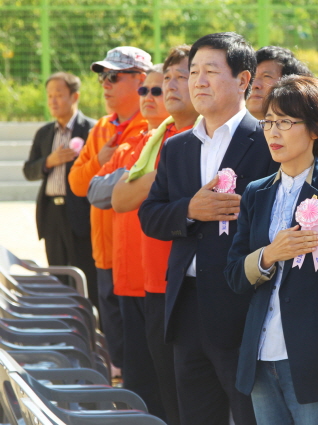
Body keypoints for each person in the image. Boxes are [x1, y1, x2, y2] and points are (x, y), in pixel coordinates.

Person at [138, 32, 278, 425]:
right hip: (186, 310)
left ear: (243, 80)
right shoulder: (177, 146)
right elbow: (150, 215)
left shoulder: (268, 140)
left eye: (210, 71)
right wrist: (190, 210)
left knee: (250, 415)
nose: (197, 81)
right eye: (193, 71)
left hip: (243, 308)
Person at [225, 74, 318, 425]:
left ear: (316, 129)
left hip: (317, 361)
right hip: (260, 359)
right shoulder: (256, 193)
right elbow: (234, 275)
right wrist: (269, 254)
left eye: (285, 122)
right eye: (268, 121)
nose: (273, 132)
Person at [111, 45, 200, 425]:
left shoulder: (205, 138)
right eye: (167, 80)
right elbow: (118, 198)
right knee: (161, 397)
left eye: (182, 77)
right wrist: (162, 177)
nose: (168, 87)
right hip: (150, 283)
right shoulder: (159, 140)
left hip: (189, 284)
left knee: (192, 400)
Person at [87, 65, 169, 420]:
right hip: (125, 280)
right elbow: (94, 190)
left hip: (157, 282)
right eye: (144, 91)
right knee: (135, 383)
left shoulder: (176, 144)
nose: (148, 97)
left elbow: (117, 193)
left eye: (157, 90)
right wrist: (130, 179)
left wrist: (125, 183)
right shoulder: (132, 143)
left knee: (160, 387)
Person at [68, 46, 151, 374]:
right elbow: (77, 184)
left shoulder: (153, 128)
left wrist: (97, 169)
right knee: (118, 346)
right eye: (103, 76)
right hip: (105, 256)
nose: (105, 83)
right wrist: (101, 162)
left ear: (140, 81)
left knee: (141, 354)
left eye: (114, 76)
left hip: (136, 259)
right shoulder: (101, 126)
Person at [23, 72, 98, 307]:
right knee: (57, 277)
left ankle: (88, 328)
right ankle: (63, 326)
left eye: (59, 95)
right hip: (51, 215)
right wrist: (49, 161)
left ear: (75, 96)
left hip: (80, 214)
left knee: (84, 275)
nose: (53, 101)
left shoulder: (91, 130)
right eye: (49, 96)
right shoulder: (45, 133)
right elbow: (29, 170)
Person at [246, 46, 318, 175]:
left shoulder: (314, 137)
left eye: (266, 76)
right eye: (252, 77)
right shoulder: (245, 136)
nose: (255, 85)